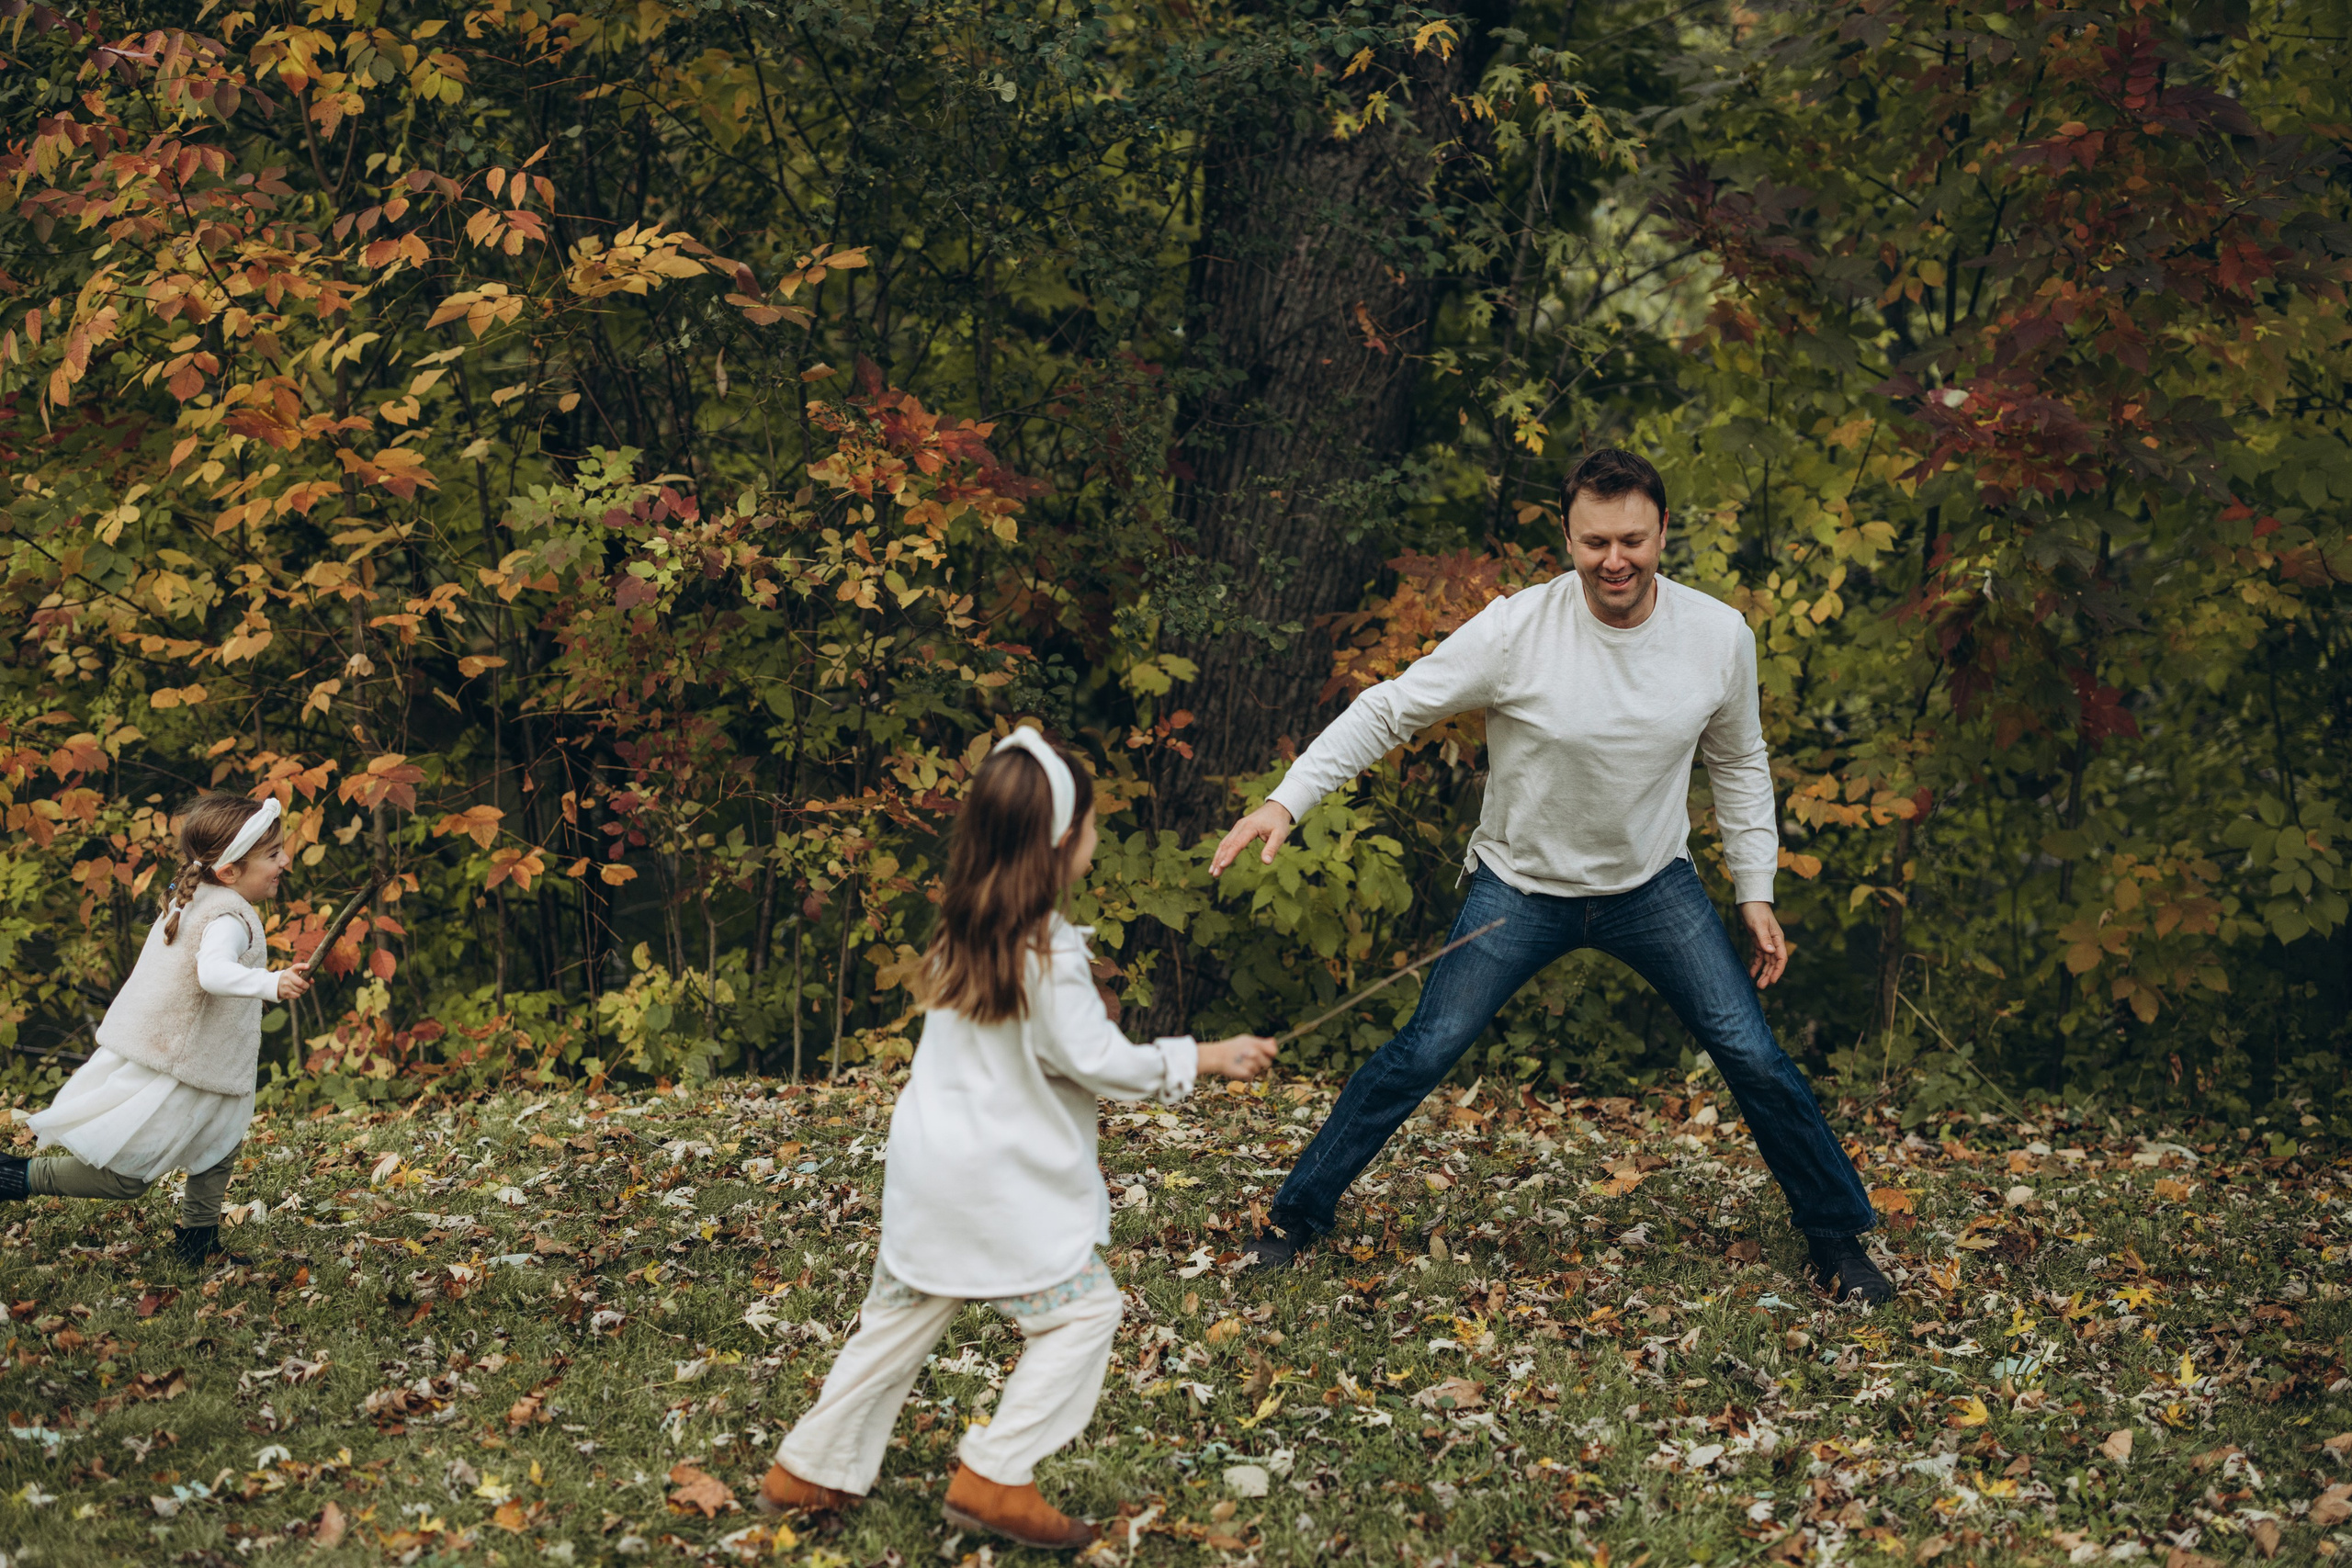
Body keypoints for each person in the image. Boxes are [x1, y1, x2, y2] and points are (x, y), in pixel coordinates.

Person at [1211, 448, 1890, 1304]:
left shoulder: (1718, 636)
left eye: (1634, 540)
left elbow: (1741, 762)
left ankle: (1837, 1239)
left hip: (1653, 886)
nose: (1616, 560)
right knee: (1424, 1049)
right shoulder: (1515, 630)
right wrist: (1286, 801)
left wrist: (1756, 889)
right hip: (1518, 887)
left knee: (1751, 1052)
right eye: (1595, 540)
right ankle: (1295, 1219)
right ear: (1567, 535)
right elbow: (1391, 706)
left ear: (1663, 532)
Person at [757, 728, 1279, 1550]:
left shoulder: (962, 929)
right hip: (997, 1193)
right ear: (1062, 843)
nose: (1098, 842)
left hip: (928, 1177)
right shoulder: (1045, 954)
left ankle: (807, 1466)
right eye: (1095, 827)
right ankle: (998, 1472)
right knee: (1084, 1314)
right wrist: (1206, 1056)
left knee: (896, 1323)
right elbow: (1097, 1061)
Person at [0, 792, 313, 1267]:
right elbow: (213, 973)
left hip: (202, 1063)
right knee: (128, 1179)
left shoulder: (201, 896)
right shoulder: (227, 916)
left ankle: (198, 1243)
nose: (285, 861)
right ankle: (17, 1177)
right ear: (229, 870)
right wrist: (270, 983)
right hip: (181, 1071)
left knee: (218, 1148)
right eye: (273, 855)